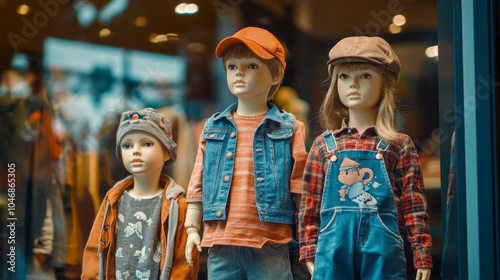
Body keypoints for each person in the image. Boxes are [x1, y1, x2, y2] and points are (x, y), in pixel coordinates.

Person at [298, 36, 432, 280]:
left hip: (383, 249)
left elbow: (414, 205)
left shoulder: (399, 145)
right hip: (332, 249)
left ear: (385, 84)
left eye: (365, 76)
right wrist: (308, 250)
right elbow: (310, 206)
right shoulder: (323, 146)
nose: (354, 85)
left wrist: (421, 253)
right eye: (344, 77)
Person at [184, 26, 308, 279]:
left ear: (276, 75)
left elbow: (299, 187)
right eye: (232, 66)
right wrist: (191, 227)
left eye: (252, 66)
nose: (239, 72)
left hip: (270, 243)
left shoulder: (290, 128)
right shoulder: (212, 127)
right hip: (221, 242)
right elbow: (198, 181)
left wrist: (308, 238)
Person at [82, 108, 199, 279]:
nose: (135, 151)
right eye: (127, 145)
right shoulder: (113, 200)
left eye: (147, 143)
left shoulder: (177, 205)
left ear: (167, 152)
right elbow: (94, 250)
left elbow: (184, 262)